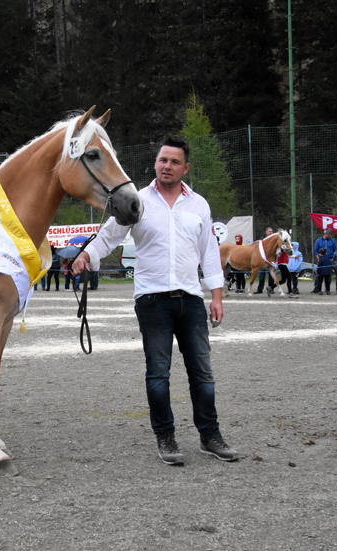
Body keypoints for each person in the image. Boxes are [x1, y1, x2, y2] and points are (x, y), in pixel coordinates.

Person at [71, 136, 236, 465]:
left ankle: (209, 435)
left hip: (190, 300)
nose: (167, 166)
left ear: (185, 168)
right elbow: (110, 235)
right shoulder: (138, 201)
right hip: (152, 301)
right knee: (158, 373)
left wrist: (216, 296)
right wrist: (86, 254)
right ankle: (166, 436)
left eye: (175, 162)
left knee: (202, 373)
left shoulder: (199, 206)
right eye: (163, 160)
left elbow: (209, 255)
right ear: (155, 164)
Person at [256, 227, 277, 295]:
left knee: (271, 275)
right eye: (269, 231)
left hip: (270, 259)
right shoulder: (262, 239)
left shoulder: (274, 240)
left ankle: (271, 288)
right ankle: (260, 289)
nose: (271, 233)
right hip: (263, 259)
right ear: (266, 232)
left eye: (272, 231)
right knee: (261, 274)